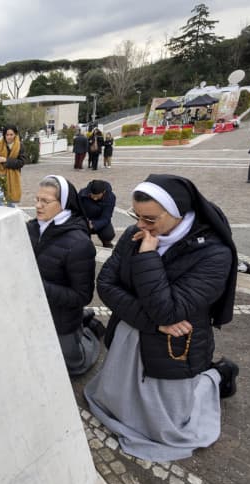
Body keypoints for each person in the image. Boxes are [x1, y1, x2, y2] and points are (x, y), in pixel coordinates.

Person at [84, 174, 239, 462]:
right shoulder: (135, 233)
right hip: (140, 333)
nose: (140, 225)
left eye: (150, 219)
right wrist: (152, 323)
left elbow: (168, 311)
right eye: (136, 215)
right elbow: (106, 285)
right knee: (117, 394)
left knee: (165, 421)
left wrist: (147, 256)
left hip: (174, 349)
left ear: (178, 213)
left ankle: (219, 375)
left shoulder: (214, 254)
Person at [27, 175, 100, 376]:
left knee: (74, 367)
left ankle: (87, 331)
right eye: (36, 199)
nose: (38, 206)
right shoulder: (30, 228)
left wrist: (40, 287)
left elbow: (82, 296)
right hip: (33, 310)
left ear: (64, 203)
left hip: (61, 317)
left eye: (46, 201)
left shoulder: (79, 244)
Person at [0, 125, 26, 206]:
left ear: (15, 134)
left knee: (10, 202)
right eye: (7, 135)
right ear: (4, 135)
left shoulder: (20, 146)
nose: (9, 137)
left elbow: (21, 162)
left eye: (11, 134)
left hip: (13, 178)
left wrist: (6, 160)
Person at [79, 179, 116, 248]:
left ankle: (106, 242)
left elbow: (106, 217)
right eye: (93, 196)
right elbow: (77, 209)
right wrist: (84, 221)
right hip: (85, 219)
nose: (95, 199)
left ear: (103, 192)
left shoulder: (110, 197)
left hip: (100, 220)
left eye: (97, 197)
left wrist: (94, 224)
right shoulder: (82, 193)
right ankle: (85, 244)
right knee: (81, 235)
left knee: (108, 234)